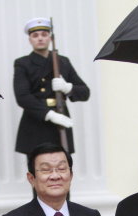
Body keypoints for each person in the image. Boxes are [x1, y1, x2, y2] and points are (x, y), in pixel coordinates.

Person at [14, 17, 90, 155]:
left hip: (61, 119)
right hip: (36, 122)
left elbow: (85, 92)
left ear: (50, 38)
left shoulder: (63, 61)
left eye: (44, 34)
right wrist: (49, 115)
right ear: (30, 39)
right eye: (35, 35)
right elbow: (22, 97)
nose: (40, 38)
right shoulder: (23, 63)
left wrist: (67, 87)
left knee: (62, 163)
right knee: (39, 164)